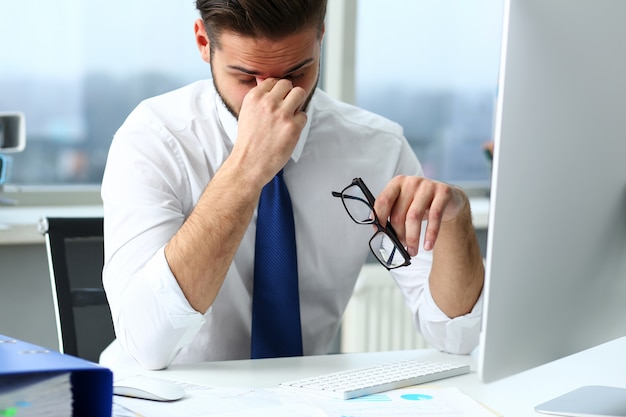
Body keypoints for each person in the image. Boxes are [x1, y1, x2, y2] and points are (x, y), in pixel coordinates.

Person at [99, 0, 484, 371]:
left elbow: (458, 338)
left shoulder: (378, 147)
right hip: (167, 402)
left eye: (297, 73)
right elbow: (149, 345)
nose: (273, 96)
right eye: (246, 78)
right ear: (204, 42)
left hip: (303, 399)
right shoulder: (153, 138)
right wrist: (247, 168)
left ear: (321, 34)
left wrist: (455, 220)